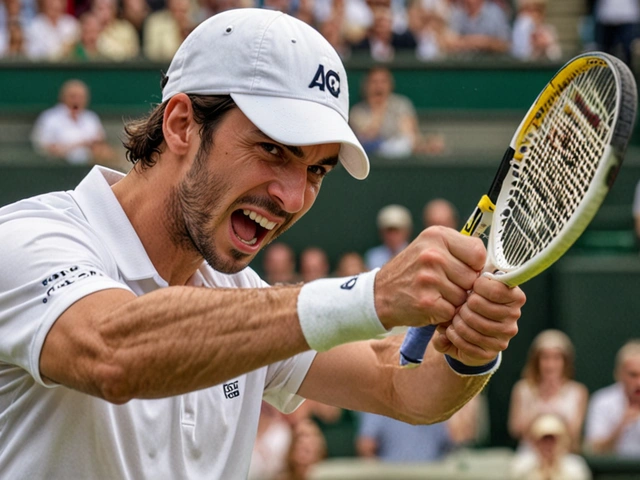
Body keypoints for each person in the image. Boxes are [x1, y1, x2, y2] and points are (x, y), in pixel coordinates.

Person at [0, 8, 525, 478]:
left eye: (316, 170)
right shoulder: (30, 241)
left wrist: (471, 349)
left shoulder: (240, 294)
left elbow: (401, 386)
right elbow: (111, 352)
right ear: (182, 124)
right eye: (273, 149)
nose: (294, 197)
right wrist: (375, 294)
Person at [508, 329, 589, 453]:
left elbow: (574, 434)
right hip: (530, 454)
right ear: (537, 361)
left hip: (564, 456)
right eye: (545, 358)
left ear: (565, 362)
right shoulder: (522, 389)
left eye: (556, 358)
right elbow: (515, 430)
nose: (550, 364)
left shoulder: (578, 391)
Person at [349, 66, 444, 158]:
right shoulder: (357, 111)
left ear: (390, 85)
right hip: (372, 158)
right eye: (374, 82)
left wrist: (426, 144)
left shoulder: (401, 104)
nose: (379, 86)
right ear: (366, 86)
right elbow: (369, 137)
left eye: (383, 82)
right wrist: (379, 109)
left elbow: (410, 136)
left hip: (402, 155)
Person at [31, 79, 115, 165]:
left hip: (90, 166)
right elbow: (45, 148)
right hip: (58, 167)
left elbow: (101, 143)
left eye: (81, 97)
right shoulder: (50, 118)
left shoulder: (91, 118)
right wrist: (78, 145)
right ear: (63, 97)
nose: (77, 101)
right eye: (73, 96)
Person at [584, 339, 640, 456]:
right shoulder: (602, 401)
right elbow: (592, 450)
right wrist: (621, 426)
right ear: (619, 374)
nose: (638, 382)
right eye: (633, 375)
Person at [509, 413, 592, 480]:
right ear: (535, 442)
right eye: (543, 441)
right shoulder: (521, 465)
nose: (548, 446)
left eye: (553, 441)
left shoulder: (575, 466)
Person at [447, 0, 511, 56]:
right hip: (464, 65)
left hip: (491, 65)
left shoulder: (495, 13)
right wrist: (476, 41)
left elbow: (505, 45)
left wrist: (487, 43)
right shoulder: (457, 13)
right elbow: (450, 43)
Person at [364, 203, 413, 269]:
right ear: (381, 232)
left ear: (407, 231)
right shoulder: (373, 256)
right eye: (389, 231)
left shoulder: (415, 253)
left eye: (396, 231)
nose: (392, 236)